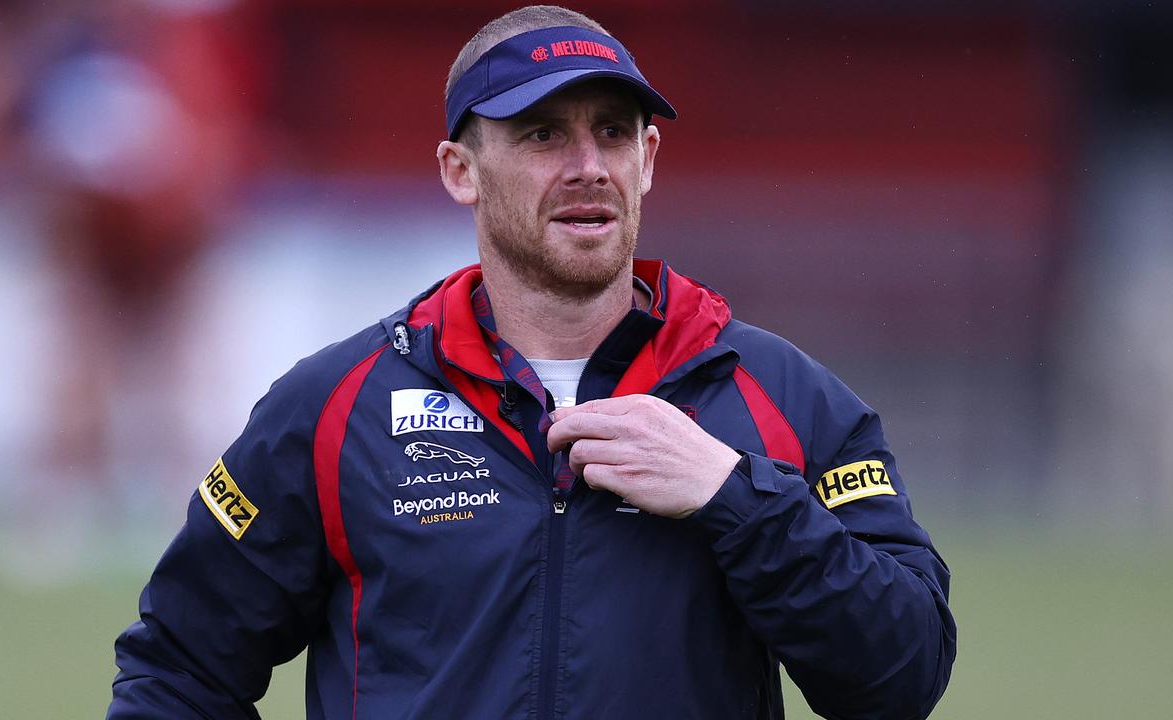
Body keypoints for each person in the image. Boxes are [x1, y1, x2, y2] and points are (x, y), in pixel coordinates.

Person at [109, 5, 956, 718]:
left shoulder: (782, 401)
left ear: (648, 161)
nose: (588, 167)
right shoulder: (334, 407)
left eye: (613, 133)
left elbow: (901, 675)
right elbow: (178, 669)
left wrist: (737, 498)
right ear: (460, 170)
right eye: (544, 134)